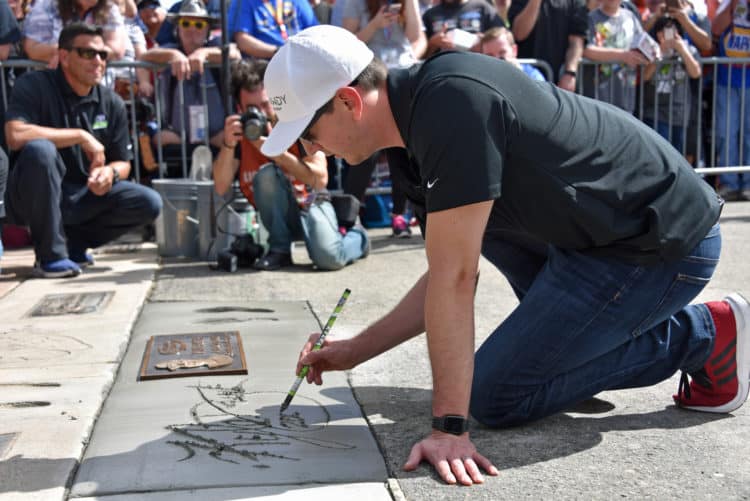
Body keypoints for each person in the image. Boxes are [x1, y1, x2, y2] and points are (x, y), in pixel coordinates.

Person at [261, 25, 749, 486]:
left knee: (497, 395)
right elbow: (446, 275)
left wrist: (449, 429)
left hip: (659, 241)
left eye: (308, 131)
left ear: (348, 101)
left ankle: (705, 335)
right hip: (593, 240)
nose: (309, 147)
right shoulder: (412, 138)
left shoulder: (450, 103)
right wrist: (354, 351)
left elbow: (455, 279)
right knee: (478, 241)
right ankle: (579, 354)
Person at [3, 23, 162, 278]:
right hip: (30, 196)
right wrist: (80, 136)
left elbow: (124, 162)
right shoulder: (34, 85)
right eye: (88, 53)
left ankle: (73, 244)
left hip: (84, 195)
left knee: (149, 202)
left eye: (103, 55)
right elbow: (15, 134)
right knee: (41, 151)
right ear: (64, 57)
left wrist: (111, 174)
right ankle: (50, 256)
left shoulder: (111, 102)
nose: (98, 61)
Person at [212, 59, 369, 270]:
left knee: (329, 258)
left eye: (265, 105)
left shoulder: (295, 123)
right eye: (251, 108)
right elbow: (221, 187)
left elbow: (319, 179)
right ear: (240, 108)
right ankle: (280, 250)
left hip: (312, 204)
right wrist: (228, 144)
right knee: (266, 175)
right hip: (277, 218)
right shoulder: (240, 136)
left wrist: (277, 153)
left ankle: (358, 237)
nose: (260, 113)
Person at [140, 0, 240, 171]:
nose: (192, 29)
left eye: (199, 24)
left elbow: (234, 53)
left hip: (218, 138)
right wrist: (174, 55)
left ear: (208, 30)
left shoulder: (215, 48)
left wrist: (204, 53)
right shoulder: (169, 51)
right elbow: (144, 57)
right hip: (178, 140)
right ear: (177, 29)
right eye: (185, 23)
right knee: (157, 139)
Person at [642, 14, 701, 155]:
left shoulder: (688, 50)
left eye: (672, 30)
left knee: (677, 156)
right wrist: (660, 53)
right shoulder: (651, 49)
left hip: (680, 114)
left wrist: (681, 49)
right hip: (656, 112)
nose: (668, 35)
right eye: (664, 30)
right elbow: (645, 76)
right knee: (659, 156)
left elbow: (696, 73)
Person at [711, 0, 750, 201]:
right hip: (726, 80)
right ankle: (729, 182)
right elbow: (716, 28)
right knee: (726, 132)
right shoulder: (727, 4)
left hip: (749, 81)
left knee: (749, 134)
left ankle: (748, 183)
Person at [582, 0, 650, 113]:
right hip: (598, 97)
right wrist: (623, 56)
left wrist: (653, 52)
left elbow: (642, 43)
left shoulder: (630, 17)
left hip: (626, 95)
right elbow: (586, 50)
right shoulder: (591, 18)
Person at [508, 0, 588, 91]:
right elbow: (519, 34)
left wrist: (570, 73)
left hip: (560, 81)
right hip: (527, 80)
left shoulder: (574, 2)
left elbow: (576, 42)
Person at [22, 0, 127, 67]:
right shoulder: (46, 5)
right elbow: (32, 49)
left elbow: (116, 50)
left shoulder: (109, 8)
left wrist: (71, 52)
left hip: (99, 89)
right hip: (53, 88)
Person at [228, 0, 318, 59]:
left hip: (301, 59)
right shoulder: (244, 2)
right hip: (266, 65)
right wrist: (279, 52)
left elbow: (316, 32)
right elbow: (243, 41)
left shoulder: (298, 2)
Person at [422, 0, 504, 56]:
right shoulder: (430, 14)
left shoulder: (483, 7)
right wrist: (432, 44)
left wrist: (484, 40)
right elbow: (419, 54)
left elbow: (504, 38)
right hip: (444, 67)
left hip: (478, 64)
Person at [479, 26, 546, 81]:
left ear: (514, 50)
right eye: (490, 56)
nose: (496, 60)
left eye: (502, 53)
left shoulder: (532, 75)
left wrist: (518, 75)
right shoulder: (480, 79)